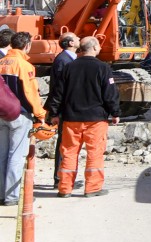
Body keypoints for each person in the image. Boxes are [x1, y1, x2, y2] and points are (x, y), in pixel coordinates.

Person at [46, 36, 120, 197]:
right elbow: (110, 93)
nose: (100, 48)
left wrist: (54, 113)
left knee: (69, 153)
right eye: (99, 45)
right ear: (93, 48)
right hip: (96, 119)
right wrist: (115, 112)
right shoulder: (103, 68)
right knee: (95, 153)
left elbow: (57, 93)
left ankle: (64, 188)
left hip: (71, 118)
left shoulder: (69, 67)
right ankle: (92, 188)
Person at [0, 32, 49, 205]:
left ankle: (1, 194)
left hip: (2, 115)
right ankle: (12, 196)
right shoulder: (24, 65)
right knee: (16, 155)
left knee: (2, 154)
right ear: (27, 45)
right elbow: (30, 93)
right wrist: (40, 114)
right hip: (20, 115)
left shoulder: (1, 62)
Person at [45, 33, 79, 185]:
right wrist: (55, 111)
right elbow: (58, 88)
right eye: (77, 38)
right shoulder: (63, 61)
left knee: (68, 143)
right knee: (64, 143)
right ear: (71, 43)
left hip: (67, 108)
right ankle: (60, 178)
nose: (79, 39)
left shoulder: (68, 59)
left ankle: (64, 177)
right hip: (64, 109)